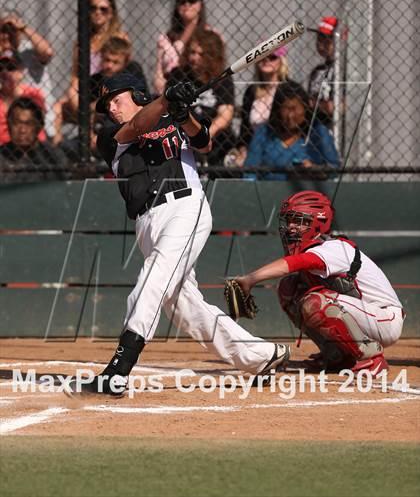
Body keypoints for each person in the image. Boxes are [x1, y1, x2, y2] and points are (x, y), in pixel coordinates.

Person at [66, 72, 290, 396]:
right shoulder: (109, 135)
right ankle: (261, 357)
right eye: (107, 105)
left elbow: (204, 142)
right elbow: (139, 126)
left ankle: (118, 369)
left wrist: (184, 115)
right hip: (147, 223)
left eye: (116, 100)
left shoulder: (171, 115)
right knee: (186, 308)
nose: (112, 109)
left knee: (152, 281)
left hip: (185, 208)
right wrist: (167, 99)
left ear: (137, 94)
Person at [232, 191, 405, 377]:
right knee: (289, 288)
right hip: (363, 314)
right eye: (288, 220)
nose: (290, 227)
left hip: (385, 318)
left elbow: (294, 263)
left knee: (316, 302)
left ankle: (372, 359)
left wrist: (250, 279)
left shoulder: (333, 248)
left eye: (298, 221)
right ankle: (337, 355)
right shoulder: (319, 248)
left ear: (317, 222)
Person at [52, 36, 149, 154]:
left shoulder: (133, 72)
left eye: (115, 62)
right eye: (107, 60)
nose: (109, 66)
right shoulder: (95, 80)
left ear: (126, 61)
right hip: (100, 126)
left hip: (128, 123)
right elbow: (87, 111)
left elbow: (142, 100)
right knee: (67, 146)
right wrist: (91, 135)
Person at [167, 28, 235, 169]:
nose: (194, 57)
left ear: (212, 56)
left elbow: (226, 114)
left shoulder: (222, 79)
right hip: (182, 136)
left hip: (213, 140)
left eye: (201, 54)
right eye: (192, 52)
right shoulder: (178, 75)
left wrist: (204, 136)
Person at [244, 81, 339, 180]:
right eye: (285, 109)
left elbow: (335, 170)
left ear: (305, 108)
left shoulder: (318, 132)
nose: (290, 116)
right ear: (277, 109)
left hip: (308, 193)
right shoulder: (264, 132)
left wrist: (316, 170)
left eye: (294, 109)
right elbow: (249, 172)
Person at [153, 0, 222, 95]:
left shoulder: (213, 36)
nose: (187, 5)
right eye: (182, 1)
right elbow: (159, 72)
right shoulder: (166, 38)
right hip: (170, 91)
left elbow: (217, 67)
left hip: (203, 91)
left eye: (192, 1)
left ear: (200, 5)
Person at [228, 45, 290, 167]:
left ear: (281, 62)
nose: (266, 60)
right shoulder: (252, 91)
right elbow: (244, 129)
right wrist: (243, 150)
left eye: (272, 57)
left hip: (280, 147)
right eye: (262, 57)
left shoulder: (288, 90)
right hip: (254, 148)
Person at [0, 14, 55, 136]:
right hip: (7, 120)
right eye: (3, 31)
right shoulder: (2, 55)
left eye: (12, 31)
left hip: (38, 116)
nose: (6, 35)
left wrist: (23, 28)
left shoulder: (28, 49)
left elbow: (47, 52)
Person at [0, 97, 67, 181]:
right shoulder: (2, 156)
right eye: (16, 123)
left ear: (39, 127)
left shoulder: (53, 156)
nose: (22, 130)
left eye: (28, 124)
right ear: (8, 124)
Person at [0, 51, 46, 144]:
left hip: (32, 147)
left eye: (10, 68)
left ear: (20, 72)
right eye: (0, 68)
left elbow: (38, 126)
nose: (4, 72)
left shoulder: (33, 94)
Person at [307, 16, 343, 128]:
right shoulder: (317, 71)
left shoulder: (344, 69)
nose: (321, 44)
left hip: (336, 129)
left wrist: (315, 104)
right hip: (317, 129)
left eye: (327, 38)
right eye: (319, 37)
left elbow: (338, 107)